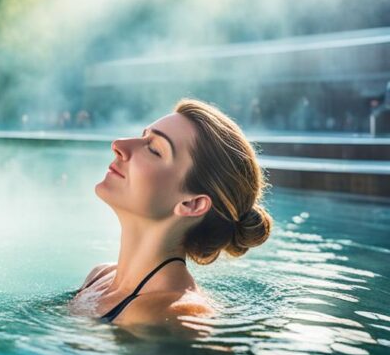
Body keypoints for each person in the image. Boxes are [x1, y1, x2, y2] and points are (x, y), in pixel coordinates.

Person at [71, 99, 272, 331]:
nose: (119, 144)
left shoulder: (176, 316)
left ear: (192, 204)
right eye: (143, 136)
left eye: (154, 150)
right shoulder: (99, 276)